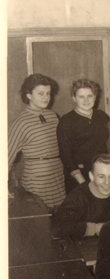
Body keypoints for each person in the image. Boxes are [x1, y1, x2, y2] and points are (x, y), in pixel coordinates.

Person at [8, 73, 66, 209]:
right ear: (29, 95)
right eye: (41, 93)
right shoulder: (21, 122)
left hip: (57, 176)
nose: (46, 97)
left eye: (48, 93)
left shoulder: (52, 116)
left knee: (60, 217)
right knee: (40, 217)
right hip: (37, 179)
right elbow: (5, 156)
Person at [51, 154, 110, 240]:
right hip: (85, 245)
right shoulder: (78, 196)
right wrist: (98, 228)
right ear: (91, 176)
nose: (107, 182)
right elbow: (57, 229)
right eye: (101, 176)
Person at [57, 79, 110, 193]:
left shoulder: (102, 117)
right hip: (79, 176)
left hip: (102, 173)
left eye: (90, 96)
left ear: (95, 97)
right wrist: (82, 181)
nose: (86, 100)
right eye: (81, 97)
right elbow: (66, 154)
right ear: (74, 98)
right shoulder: (66, 121)